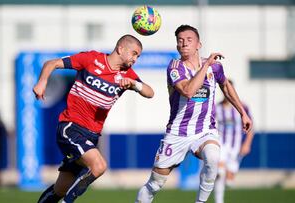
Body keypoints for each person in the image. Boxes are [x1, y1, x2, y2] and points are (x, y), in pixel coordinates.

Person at [135, 25, 252, 203]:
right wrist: (205, 66)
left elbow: (226, 87)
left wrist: (242, 113)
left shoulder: (215, 68)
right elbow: (188, 91)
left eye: (189, 40)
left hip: (205, 130)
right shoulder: (175, 67)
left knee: (213, 156)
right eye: (180, 41)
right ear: (177, 47)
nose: (184, 44)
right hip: (177, 132)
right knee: (155, 184)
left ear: (199, 44)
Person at [33, 34, 154, 203]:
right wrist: (42, 82)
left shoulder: (127, 75)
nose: (135, 59)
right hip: (71, 127)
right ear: (121, 49)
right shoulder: (91, 59)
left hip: (91, 136)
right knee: (99, 166)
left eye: (138, 56)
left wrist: (135, 84)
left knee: (59, 190)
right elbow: (51, 63)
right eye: (134, 53)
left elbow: (150, 92)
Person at [214, 80, 254, 203]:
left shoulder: (243, 107)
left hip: (236, 146)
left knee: (229, 181)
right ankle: (219, 201)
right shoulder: (216, 107)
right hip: (221, 143)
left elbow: (251, 126)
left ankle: (227, 174)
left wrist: (247, 143)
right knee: (219, 173)